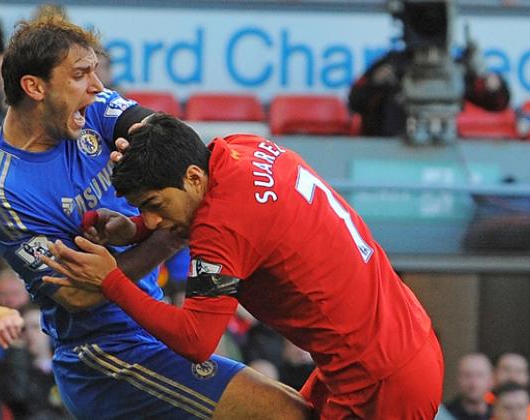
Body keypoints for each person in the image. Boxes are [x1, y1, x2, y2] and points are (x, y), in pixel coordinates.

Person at [0, 15, 310, 419]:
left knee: (303, 404)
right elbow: (79, 294)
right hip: (105, 356)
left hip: (150, 323)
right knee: (287, 413)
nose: (98, 86)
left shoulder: (93, 110)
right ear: (34, 87)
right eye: (81, 74)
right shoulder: (3, 189)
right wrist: (168, 235)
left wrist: (139, 221)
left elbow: (173, 144)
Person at [41, 113, 444, 418]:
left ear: (195, 177)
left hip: (381, 380)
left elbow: (196, 342)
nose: (152, 221)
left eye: (154, 206)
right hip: (399, 342)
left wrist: (110, 280)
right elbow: (220, 220)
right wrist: (132, 231)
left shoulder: (223, 225)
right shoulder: (241, 148)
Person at [348, 12, 510, 137]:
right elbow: (355, 101)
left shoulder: (453, 69)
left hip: (443, 147)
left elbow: (498, 103)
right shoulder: (392, 63)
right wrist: (376, 83)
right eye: (421, 23)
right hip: (391, 146)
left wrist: (490, 83)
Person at [445, 353, 494, 420]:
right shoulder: (443, 414)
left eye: (479, 375)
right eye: (467, 375)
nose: (473, 383)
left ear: (491, 380)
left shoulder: (499, 414)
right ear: (458, 379)